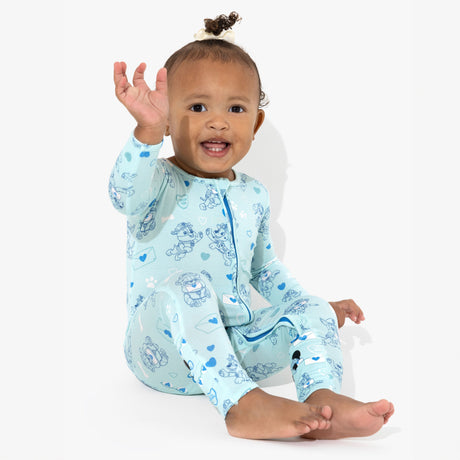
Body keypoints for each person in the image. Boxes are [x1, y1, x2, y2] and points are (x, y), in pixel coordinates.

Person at [109, 12, 394, 440]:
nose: (218, 121)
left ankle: (322, 399)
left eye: (236, 108)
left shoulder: (253, 195)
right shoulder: (156, 180)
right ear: (166, 118)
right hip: (160, 352)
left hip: (233, 352)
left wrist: (312, 308)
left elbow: (264, 269)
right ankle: (242, 406)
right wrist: (145, 135)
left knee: (311, 307)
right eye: (198, 107)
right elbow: (123, 196)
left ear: (255, 124)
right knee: (188, 284)